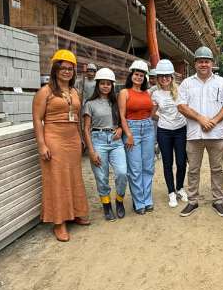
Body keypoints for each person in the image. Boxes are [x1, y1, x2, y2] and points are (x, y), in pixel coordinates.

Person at [32, 49, 90, 242]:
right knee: (57, 179)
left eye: (70, 68)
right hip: (54, 139)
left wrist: (81, 137)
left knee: (74, 177)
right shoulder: (45, 92)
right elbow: (37, 119)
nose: (67, 72)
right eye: (63, 68)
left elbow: (78, 119)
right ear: (55, 70)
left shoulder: (74, 91)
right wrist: (41, 144)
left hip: (72, 139)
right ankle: (59, 222)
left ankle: (75, 212)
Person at [177, 46, 223, 217]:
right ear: (195, 64)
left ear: (212, 63)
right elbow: (181, 106)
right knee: (193, 169)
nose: (203, 64)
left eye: (206, 61)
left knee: (217, 169)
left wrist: (213, 121)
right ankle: (193, 200)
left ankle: (218, 200)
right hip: (194, 134)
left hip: (216, 134)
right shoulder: (187, 83)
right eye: (200, 61)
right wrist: (200, 119)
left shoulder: (221, 83)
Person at [82, 68, 127, 221]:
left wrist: (120, 129)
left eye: (108, 84)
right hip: (98, 140)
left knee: (122, 172)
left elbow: (122, 120)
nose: (106, 86)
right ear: (98, 84)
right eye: (103, 83)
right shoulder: (90, 104)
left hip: (115, 141)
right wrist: (91, 151)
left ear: (112, 85)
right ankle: (106, 206)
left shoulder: (115, 102)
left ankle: (119, 201)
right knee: (101, 176)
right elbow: (86, 129)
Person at [118, 60, 155, 215]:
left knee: (148, 167)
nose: (139, 77)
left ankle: (147, 199)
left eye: (142, 75)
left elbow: (151, 111)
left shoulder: (148, 93)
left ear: (145, 77)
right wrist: (128, 134)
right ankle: (138, 201)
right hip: (132, 128)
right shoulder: (124, 93)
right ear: (131, 75)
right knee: (135, 168)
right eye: (136, 74)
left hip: (147, 128)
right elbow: (121, 115)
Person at [151, 59, 188, 208]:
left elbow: (187, 108)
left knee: (181, 162)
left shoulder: (180, 91)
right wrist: (164, 119)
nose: (164, 78)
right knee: (167, 163)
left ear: (172, 77)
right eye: (161, 76)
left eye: (167, 76)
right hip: (164, 132)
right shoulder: (155, 94)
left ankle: (180, 188)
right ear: (158, 78)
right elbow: (152, 114)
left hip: (180, 130)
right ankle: (171, 192)